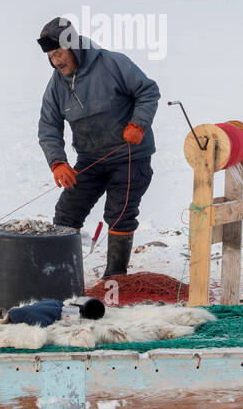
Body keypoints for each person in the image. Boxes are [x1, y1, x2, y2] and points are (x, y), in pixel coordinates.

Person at [36, 16, 160, 277]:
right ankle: (63, 276)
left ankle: (114, 278)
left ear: (74, 46)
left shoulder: (112, 63)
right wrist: (57, 162)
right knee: (67, 212)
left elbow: (147, 91)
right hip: (91, 159)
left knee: (119, 213)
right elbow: (48, 127)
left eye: (59, 53)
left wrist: (138, 124)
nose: (56, 61)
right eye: (51, 56)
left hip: (129, 157)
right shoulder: (56, 84)